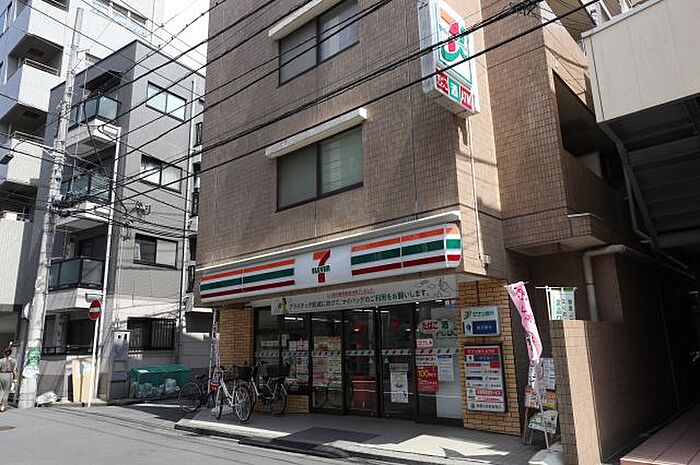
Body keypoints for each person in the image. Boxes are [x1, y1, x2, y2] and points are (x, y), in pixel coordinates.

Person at [0, 347, 17, 412]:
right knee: (6, 392)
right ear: (10, 353)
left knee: (1, 390)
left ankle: (0, 402)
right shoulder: (13, 361)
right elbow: (14, 370)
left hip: (1, 375)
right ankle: (2, 406)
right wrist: (15, 378)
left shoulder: (1, 360)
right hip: (9, 375)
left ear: (4, 353)